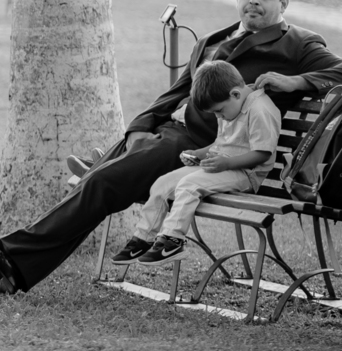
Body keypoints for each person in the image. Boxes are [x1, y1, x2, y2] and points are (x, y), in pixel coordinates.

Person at [0, 0, 342, 294]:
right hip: (167, 133)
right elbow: (176, 91)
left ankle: (9, 258)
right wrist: (140, 125)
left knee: (103, 184)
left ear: (284, 2)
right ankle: (10, 264)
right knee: (103, 183)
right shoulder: (215, 38)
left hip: (203, 146)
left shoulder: (297, 43)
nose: (254, 1)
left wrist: (295, 81)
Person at [110, 60, 281, 265]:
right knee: (162, 184)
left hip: (245, 173)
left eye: (219, 111)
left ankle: (172, 240)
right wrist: (198, 154)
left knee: (188, 186)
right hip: (220, 165)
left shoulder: (260, 109)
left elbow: (262, 154)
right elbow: (222, 144)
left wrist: (226, 164)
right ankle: (143, 238)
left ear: (235, 94)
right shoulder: (232, 104)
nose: (219, 117)